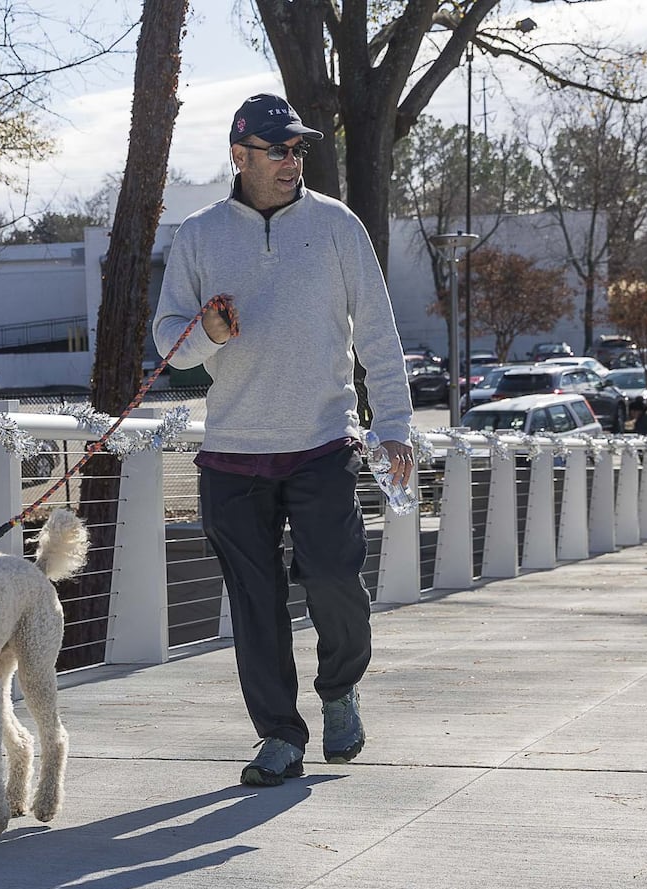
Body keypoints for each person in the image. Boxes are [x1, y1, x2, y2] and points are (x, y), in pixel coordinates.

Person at [151, 93, 414, 787]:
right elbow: (167, 340)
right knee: (255, 604)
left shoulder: (336, 225)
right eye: (279, 149)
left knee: (334, 577)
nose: (292, 160)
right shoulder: (200, 234)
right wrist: (203, 334)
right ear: (240, 156)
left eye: (298, 149)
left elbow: (379, 334)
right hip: (233, 451)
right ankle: (279, 737)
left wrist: (393, 427)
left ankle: (338, 688)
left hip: (325, 439)